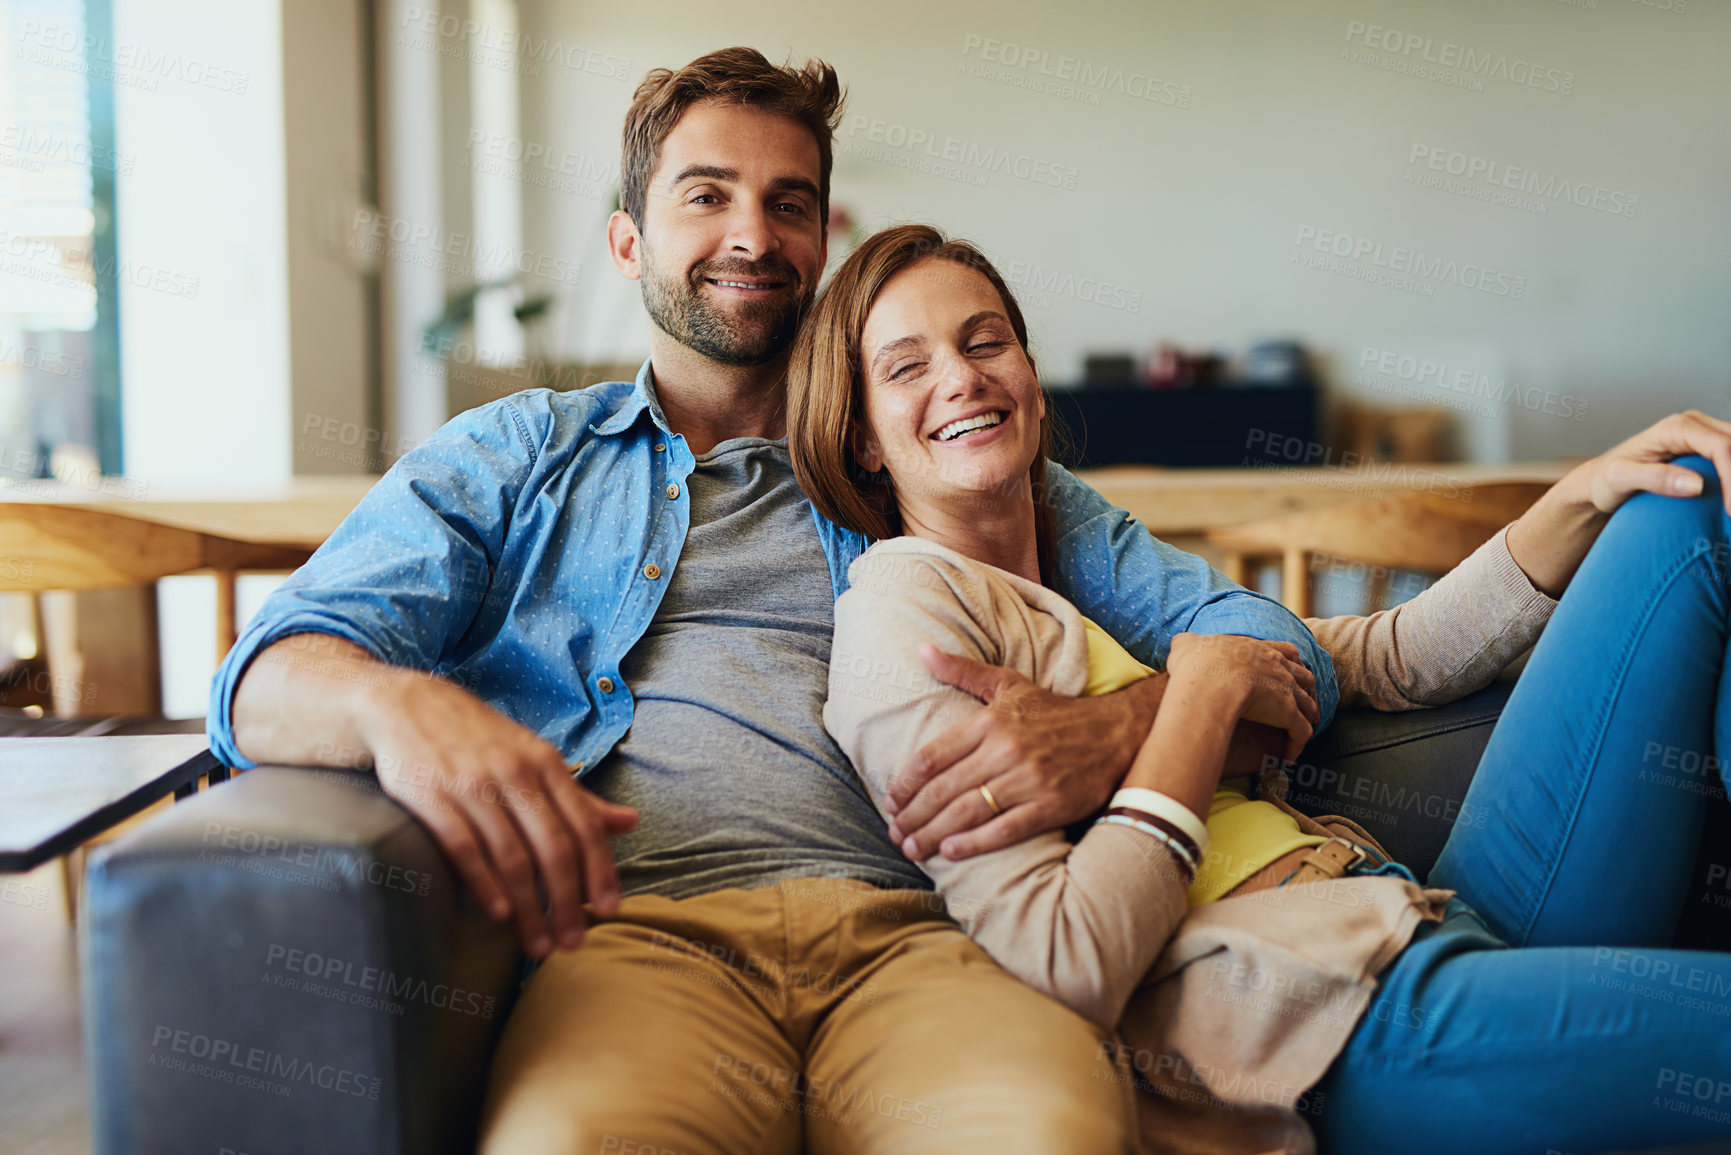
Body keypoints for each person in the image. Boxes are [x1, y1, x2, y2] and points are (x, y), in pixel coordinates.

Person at [209, 49, 1335, 1154]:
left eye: (788, 202)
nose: (753, 234)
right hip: (638, 943)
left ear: (822, 238)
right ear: (628, 240)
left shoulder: (929, 445)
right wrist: (404, 712)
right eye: (708, 196)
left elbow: (1276, 649)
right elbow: (263, 675)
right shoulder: (516, 458)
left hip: (931, 941)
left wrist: (1115, 729)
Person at [789, 222, 1731, 1155]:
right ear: (863, 438)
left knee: (1682, 493)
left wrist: (1583, 490)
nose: (961, 376)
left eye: (984, 340)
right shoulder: (902, 612)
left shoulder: (1104, 591)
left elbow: (1381, 654)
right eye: (906, 366)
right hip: (1323, 1023)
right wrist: (1197, 694)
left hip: (1417, 911)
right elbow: (1063, 959)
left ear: (1032, 382)